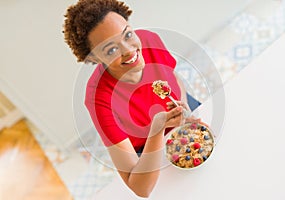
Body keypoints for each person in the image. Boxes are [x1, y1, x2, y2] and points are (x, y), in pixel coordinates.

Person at [63, 0, 201, 197]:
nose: (128, 50)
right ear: (94, 59)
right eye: (111, 50)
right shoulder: (98, 99)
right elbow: (140, 188)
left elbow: (172, 75)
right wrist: (157, 132)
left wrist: (185, 105)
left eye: (128, 35)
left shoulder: (149, 39)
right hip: (149, 147)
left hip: (185, 111)